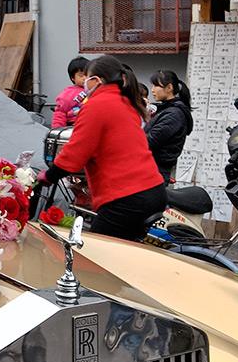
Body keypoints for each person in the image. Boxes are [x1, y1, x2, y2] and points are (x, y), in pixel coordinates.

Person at [36, 55, 166, 240]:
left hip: (127, 196)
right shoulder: (125, 102)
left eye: (87, 79)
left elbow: (76, 152)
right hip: (151, 189)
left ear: (96, 80)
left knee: (97, 256)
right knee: (127, 255)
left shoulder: (97, 105)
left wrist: (49, 175)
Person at [144, 69, 193, 182]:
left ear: (169, 88)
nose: (152, 90)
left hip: (155, 173)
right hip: (153, 170)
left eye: (156, 86)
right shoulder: (166, 110)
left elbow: (150, 141)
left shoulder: (173, 114)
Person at [50, 56, 89, 128]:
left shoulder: (97, 89)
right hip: (74, 125)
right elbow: (60, 113)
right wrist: (57, 129)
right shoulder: (68, 94)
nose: (85, 78)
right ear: (73, 78)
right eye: (81, 75)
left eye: (87, 74)